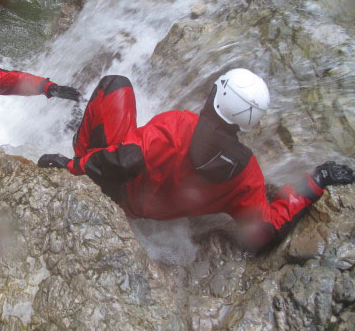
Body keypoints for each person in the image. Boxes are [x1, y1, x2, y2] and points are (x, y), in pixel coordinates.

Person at [37, 69, 354, 252]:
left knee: (115, 84)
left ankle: (79, 145)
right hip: (155, 213)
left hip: (118, 191)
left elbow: (125, 160)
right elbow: (264, 232)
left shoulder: (177, 127)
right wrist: (316, 181)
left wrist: (70, 165)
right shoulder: (246, 174)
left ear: (215, 94)